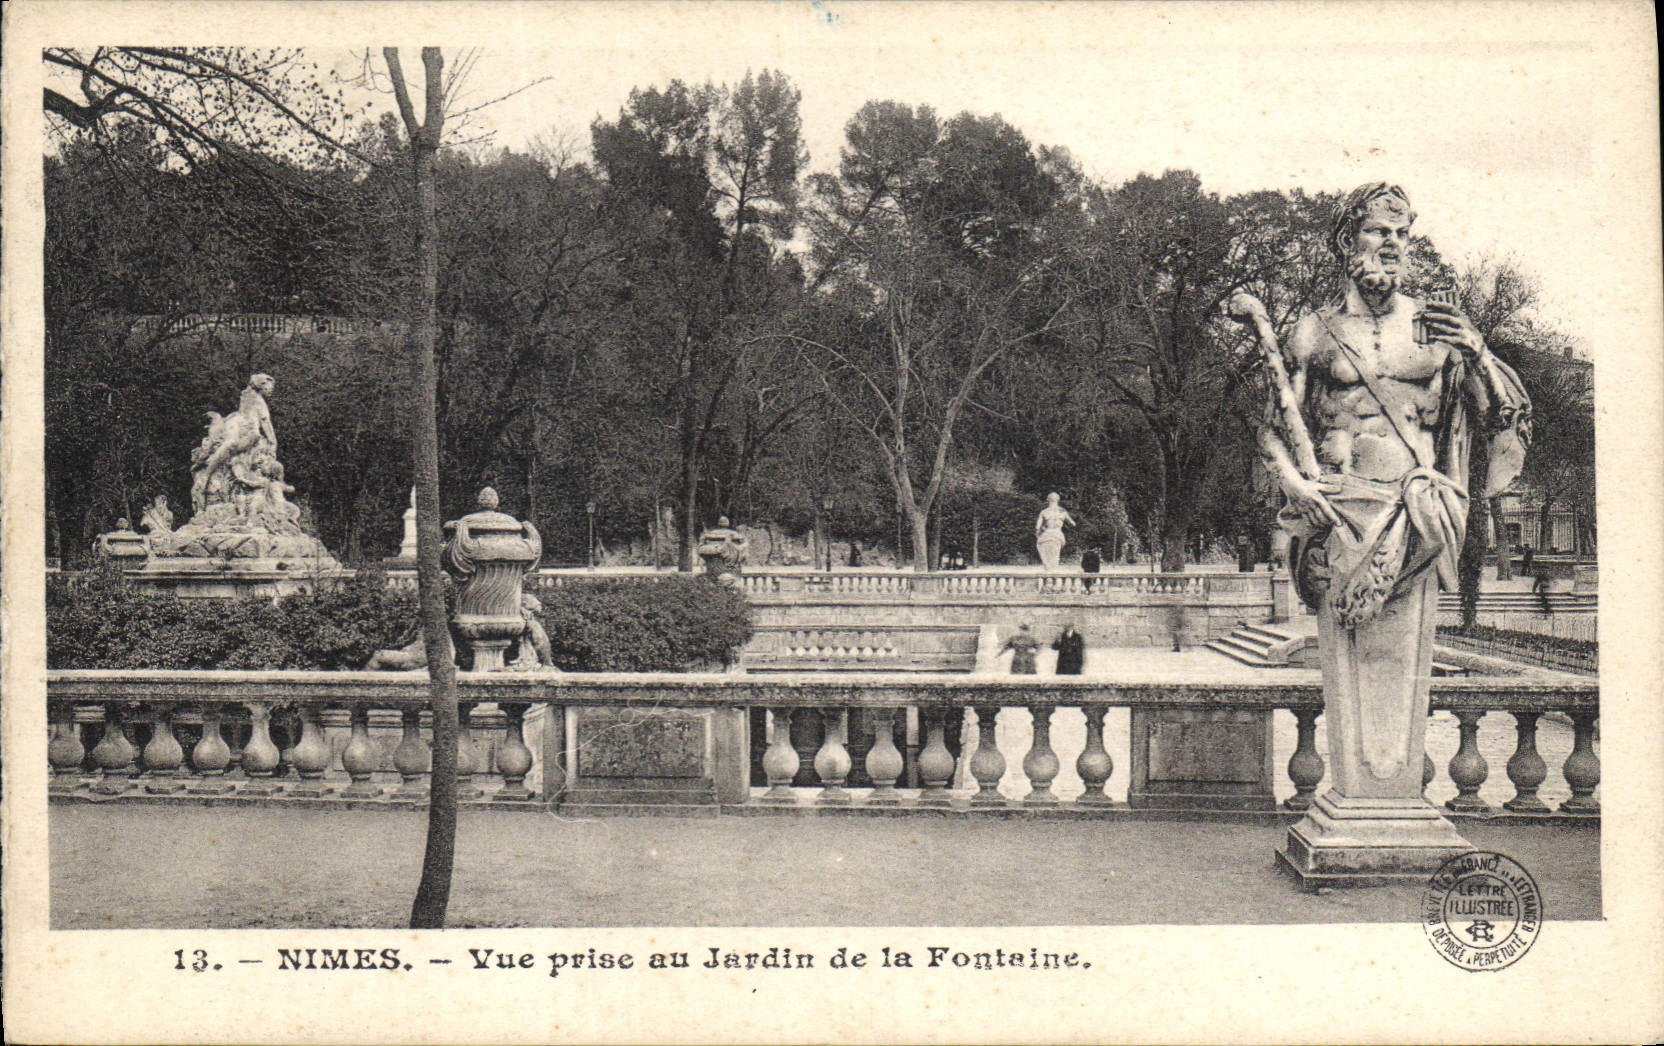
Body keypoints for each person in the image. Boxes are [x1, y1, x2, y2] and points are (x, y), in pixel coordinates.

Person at [1241, 183, 1530, 870]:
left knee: (1404, 663)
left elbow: (1494, 419)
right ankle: (1362, 801)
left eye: (1402, 233)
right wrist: (1294, 483)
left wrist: (1481, 352)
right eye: (1378, 232)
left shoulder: (1437, 329)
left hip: (1419, 515)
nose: (1394, 243)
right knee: (1356, 662)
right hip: (1342, 513)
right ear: (1349, 244)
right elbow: (1269, 427)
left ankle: (1392, 804)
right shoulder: (1312, 331)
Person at [1034, 492, 1076, 571]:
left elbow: (1037, 527)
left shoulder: (1044, 512)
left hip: (1047, 534)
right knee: (1055, 555)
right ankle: (1054, 570)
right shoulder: (1062, 511)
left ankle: (1048, 570)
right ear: (1058, 500)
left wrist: (1041, 530)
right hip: (1057, 534)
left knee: (1044, 553)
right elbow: (1073, 524)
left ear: (1048, 500)